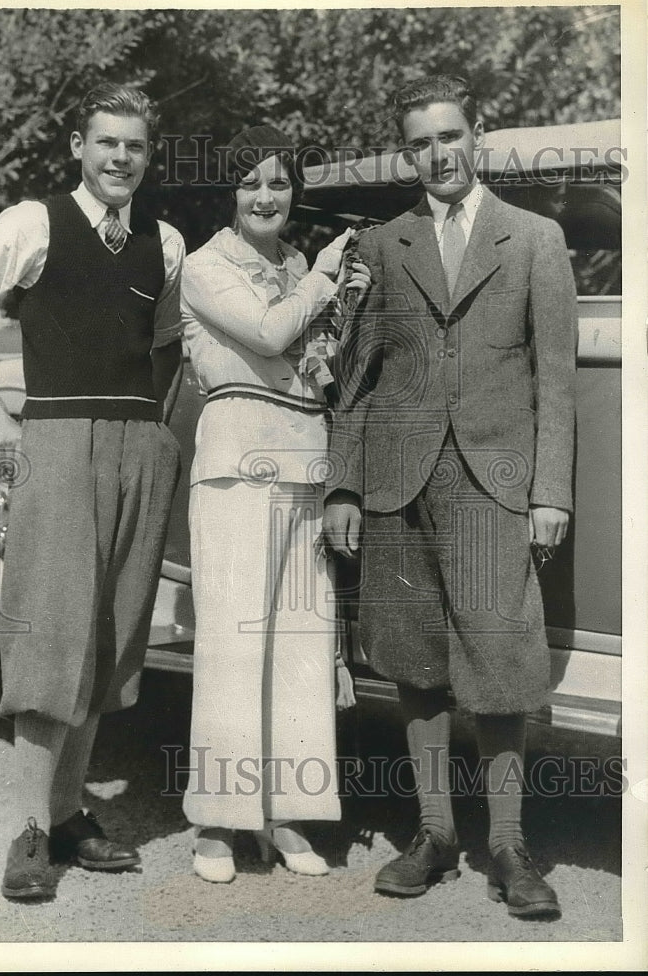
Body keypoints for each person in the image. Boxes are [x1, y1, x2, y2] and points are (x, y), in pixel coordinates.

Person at [323, 74, 577, 919]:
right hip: (399, 482)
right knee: (414, 663)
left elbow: (556, 381)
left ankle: (507, 846)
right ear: (409, 152)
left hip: (494, 484)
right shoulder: (383, 243)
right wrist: (346, 485)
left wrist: (550, 492)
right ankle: (432, 835)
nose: (437, 154)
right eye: (421, 142)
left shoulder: (533, 238)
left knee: (500, 664)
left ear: (478, 135)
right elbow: (358, 379)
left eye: (450, 136)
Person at [0, 83, 185, 900]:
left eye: (133, 146)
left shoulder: (166, 241)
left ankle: (71, 814)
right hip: (57, 446)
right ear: (78, 145)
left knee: (108, 641)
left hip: (138, 447)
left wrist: (155, 432)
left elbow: (168, 345)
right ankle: (31, 830)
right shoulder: (30, 222)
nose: (118, 158)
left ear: (149, 155)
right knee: (49, 634)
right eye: (104, 143)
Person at [180, 125, 370, 882]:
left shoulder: (296, 263)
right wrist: (325, 280)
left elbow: (316, 364)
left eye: (280, 183)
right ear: (229, 192)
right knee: (231, 643)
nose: (266, 197)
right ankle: (218, 824)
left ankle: (286, 815)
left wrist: (343, 309)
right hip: (234, 462)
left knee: (300, 643)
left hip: (304, 461)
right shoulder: (203, 267)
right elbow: (265, 333)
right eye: (251, 182)